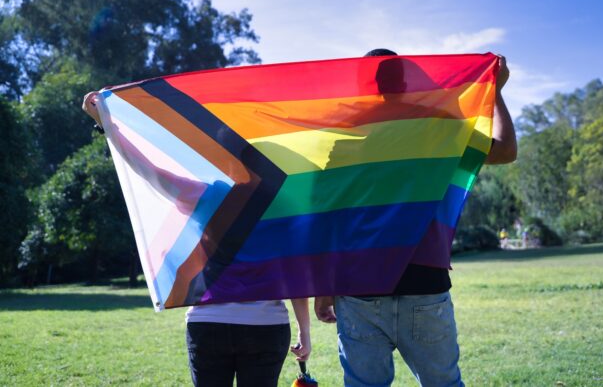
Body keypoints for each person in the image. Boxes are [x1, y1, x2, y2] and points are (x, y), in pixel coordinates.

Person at [315, 49, 517, 387]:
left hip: (357, 289)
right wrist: (494, 91)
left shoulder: (346, 137)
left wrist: (323, 287)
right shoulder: (438, 130)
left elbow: (329, 220)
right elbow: (506, 150)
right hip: (425, 285)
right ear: (408, 82)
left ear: (365, 83)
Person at [82, 91, 311, 387]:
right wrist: (305, 330)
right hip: (266, 326)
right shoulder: (284, 208)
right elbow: (294, 276)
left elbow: (148, 170)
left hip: (208, 323)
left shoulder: (205, 195)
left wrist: (107, 125)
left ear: (224, 158)